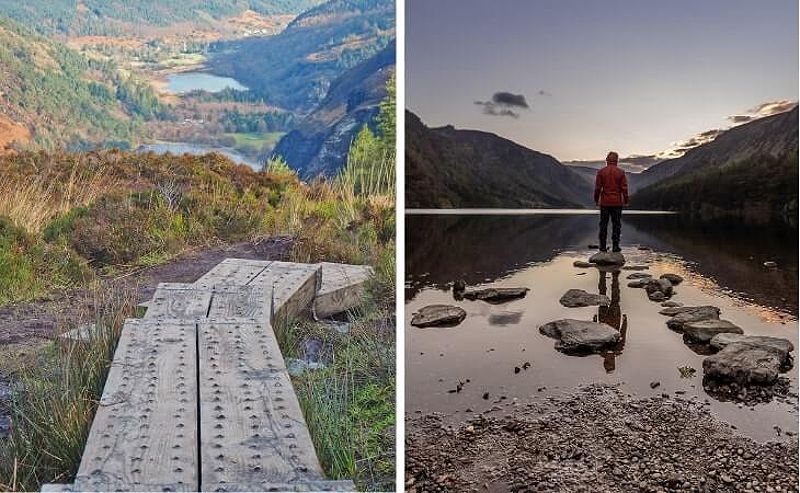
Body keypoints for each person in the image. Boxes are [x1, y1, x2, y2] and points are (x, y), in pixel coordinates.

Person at [593, 151, 629, 252]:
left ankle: (603, 247)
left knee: (603, 225)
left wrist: (596, 200)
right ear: (617, 160)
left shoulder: (601, 172)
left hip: (605, 203)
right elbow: (624, 188)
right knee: (616, 225)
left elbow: (597, 188)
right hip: (617, 203)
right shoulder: (621, 172)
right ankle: (615, 246)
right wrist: (626, 200)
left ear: (607, 160)